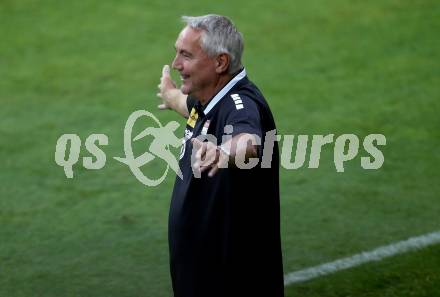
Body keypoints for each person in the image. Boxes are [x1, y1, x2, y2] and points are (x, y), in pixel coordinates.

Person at [157, 14, 284, 297]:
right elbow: (187, 106)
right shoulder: (208, 100)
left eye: (186, 55)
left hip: (230, 279)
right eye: (177, 52)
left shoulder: (240, 104)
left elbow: (249, 141)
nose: (176, 63)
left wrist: (224, 152)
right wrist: (170, 96)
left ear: (220, 62)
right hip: (201, 270)